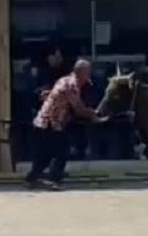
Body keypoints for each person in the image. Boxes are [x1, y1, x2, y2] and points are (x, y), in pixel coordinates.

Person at [25, 59, 106, 190]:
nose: (89, 76)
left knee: (46, 155)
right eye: (87, 73)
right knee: (62, 151)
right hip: (50, 123)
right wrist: (94, 115)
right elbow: (78, 109)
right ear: (81, 72)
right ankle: (53, 179)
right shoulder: (72, 85)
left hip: (45, 122)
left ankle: (32, 178)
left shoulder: (64, 80)